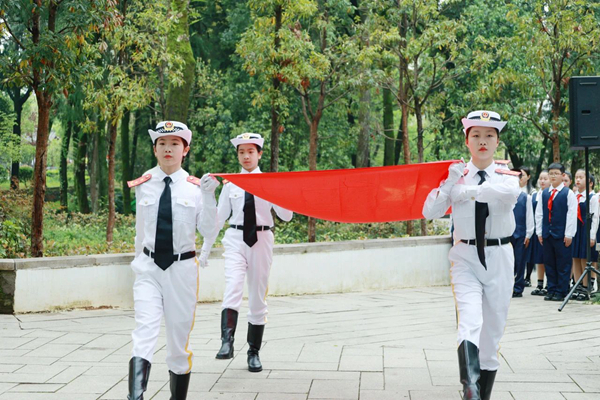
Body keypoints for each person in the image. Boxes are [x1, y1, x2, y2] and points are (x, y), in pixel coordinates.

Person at [423, 110, 520, 400]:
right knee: (469, 319)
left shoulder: (507, 176)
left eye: (489, 135)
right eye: (475, 135)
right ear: (467, 141)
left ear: (497, 142)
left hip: (499, 256)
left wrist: (465, 192)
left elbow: (507, 195)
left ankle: (481, 393)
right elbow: (430, 211)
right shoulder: (455, 175)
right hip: (465, 255)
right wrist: (449, 185)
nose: (482, 141)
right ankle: (470, 389)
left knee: (492, 334)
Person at [127, 121, 219, 400]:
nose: (168, 149)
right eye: (162, 144)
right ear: (155, 149)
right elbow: (140, 231)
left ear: (185, 150)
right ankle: (135, 396)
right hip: (149, 268)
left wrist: (209, 197)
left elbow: (208, 231)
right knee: (144, 330)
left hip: (182, 270)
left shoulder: (196, 188)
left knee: (178, 344)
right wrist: (138, 264)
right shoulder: (143, 184)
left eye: (175, 144)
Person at [200, 132, 293, 373]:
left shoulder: (269, 183)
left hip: (262, 239)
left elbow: (286, 216)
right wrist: (205, 250)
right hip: (235, 238)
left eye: (250, 151)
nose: (246, 156)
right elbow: (218, 220)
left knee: (257, 296)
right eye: (241, 152)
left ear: (259, 154)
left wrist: (282, 192)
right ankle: (227, 341)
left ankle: (253, 352)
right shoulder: (231, 184)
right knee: (233, 286)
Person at [534, 163, 577, 302]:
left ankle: (561, 291)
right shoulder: (544, 193)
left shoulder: (568, 193)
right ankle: (551, 289)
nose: (553, 176)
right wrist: (539, 232)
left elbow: (571, 214)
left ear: (562, 175)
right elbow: (539, 214)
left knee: (563, 264)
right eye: (551, 173)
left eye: (556, 173)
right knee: (549, 263)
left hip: (562, 234)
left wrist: (569, 234)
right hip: (547, 233)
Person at [570, 170, 598, 300]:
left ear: (590, 182)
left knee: (584, 258)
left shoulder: (592, 197)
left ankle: (586, 288)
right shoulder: (574, 196)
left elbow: (595, 218)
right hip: (576, 230)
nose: (578, 180)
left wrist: (592, 236)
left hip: (586, 230)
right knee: (575, 257)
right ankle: (577, 286)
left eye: (581, 177)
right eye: (576, 177)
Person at [511, 168, 534, 297]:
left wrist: (528, 234)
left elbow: (529, 216)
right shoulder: (505, 197)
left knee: (520, 261)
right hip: (506, 233)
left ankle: (518, 287)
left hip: (521, 233)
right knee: (508, 261)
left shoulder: (526, 197)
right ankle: (508, 286)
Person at [530, 171, 550, 296]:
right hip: (537, 230)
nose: (542, 181)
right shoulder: (535, 195)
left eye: (545, 178)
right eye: (540, 178)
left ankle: (549, 284)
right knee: (539, 258)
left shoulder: (550, 194)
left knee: (548, 257)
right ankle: (539, 283)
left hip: (548, 230)